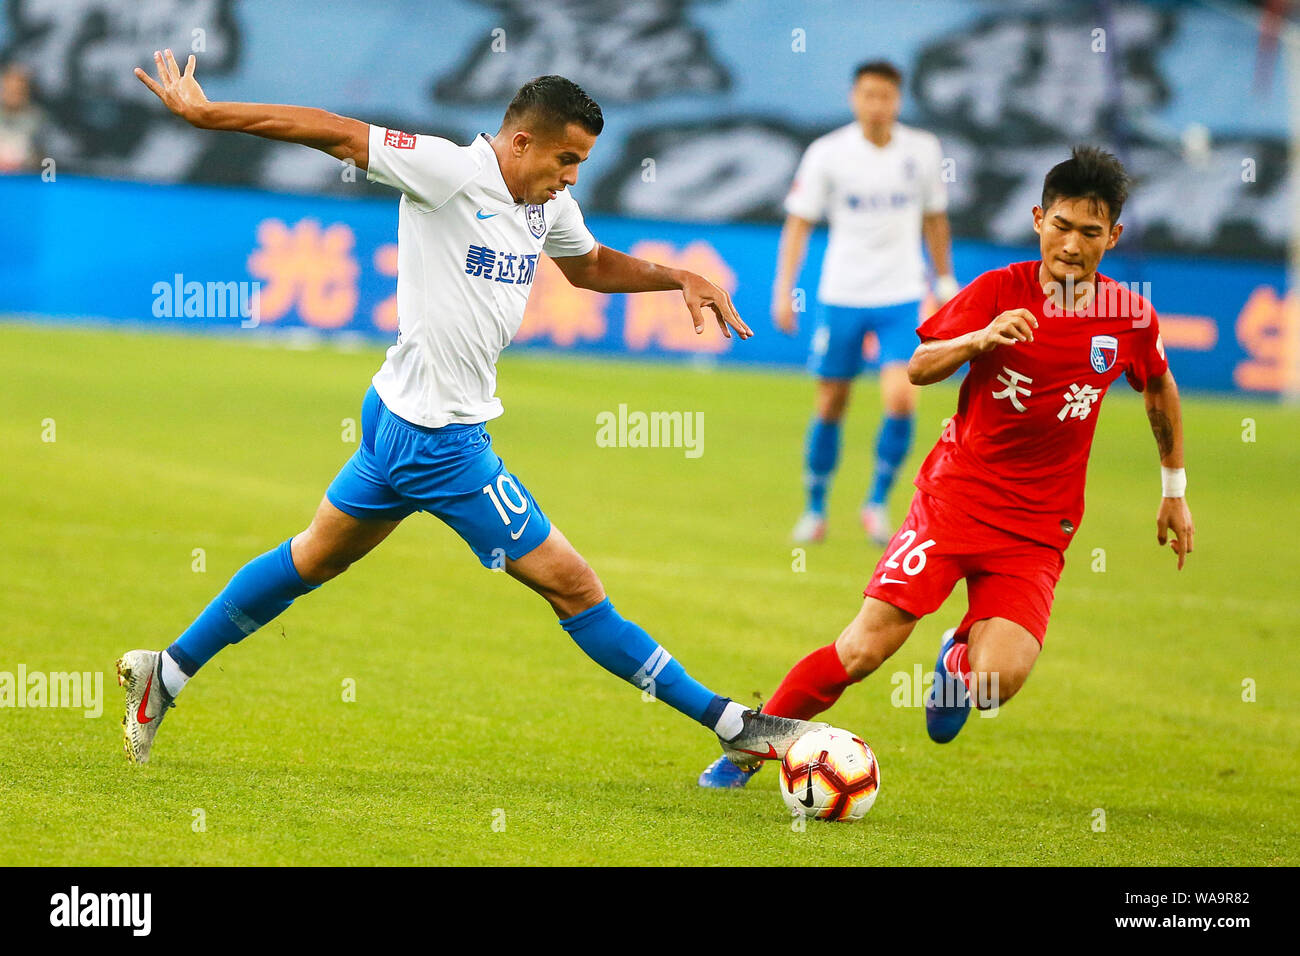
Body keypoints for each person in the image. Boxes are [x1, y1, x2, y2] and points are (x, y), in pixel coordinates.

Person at [119, 49, 821, 770]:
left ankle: (165, 672)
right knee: (575, 588)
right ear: (522, 142)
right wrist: (208, 115)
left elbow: (587, 267)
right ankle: (733, 723)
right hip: (440, 441)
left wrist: (676, 276)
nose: (573, 174)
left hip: (396, 415)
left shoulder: (546, 204)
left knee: (310, 558)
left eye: (580, 162)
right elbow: (330, 130)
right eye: (566, 157)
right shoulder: (449, 171)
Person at [700, 146, 1195, 788]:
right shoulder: (997, 291)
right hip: (952, 504)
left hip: (1038, 531)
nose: (1072, 245)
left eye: (1091, 233)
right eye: (1063, 226)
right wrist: (977, 339)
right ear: (1039, 218)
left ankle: (957, 662)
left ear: (1114, 237)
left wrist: (1174, 488)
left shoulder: (1128, 316)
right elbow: (918, 365)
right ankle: (746, 750)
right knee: (863, 651)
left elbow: (1158, 386)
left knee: (999, 682)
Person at [773, 60, 957, 547]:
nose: (878, 105)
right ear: (855, 98)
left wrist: (943, 280)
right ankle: (815, 508)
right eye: (868, 95)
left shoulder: (923, 150)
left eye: (887, 96)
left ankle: (876, 503)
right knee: (832, 402)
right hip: (843, 294)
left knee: (901, 397)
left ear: (898, 100)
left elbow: (935, 219)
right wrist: (783, 288)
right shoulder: (828, 154)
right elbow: (798, 223)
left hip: (900, 294)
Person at [0, 63, 46, 172]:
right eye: (10, 89)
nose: (14, 94)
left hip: (26, 180)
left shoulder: (39, 119)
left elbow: (47, 158)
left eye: (19, 90)